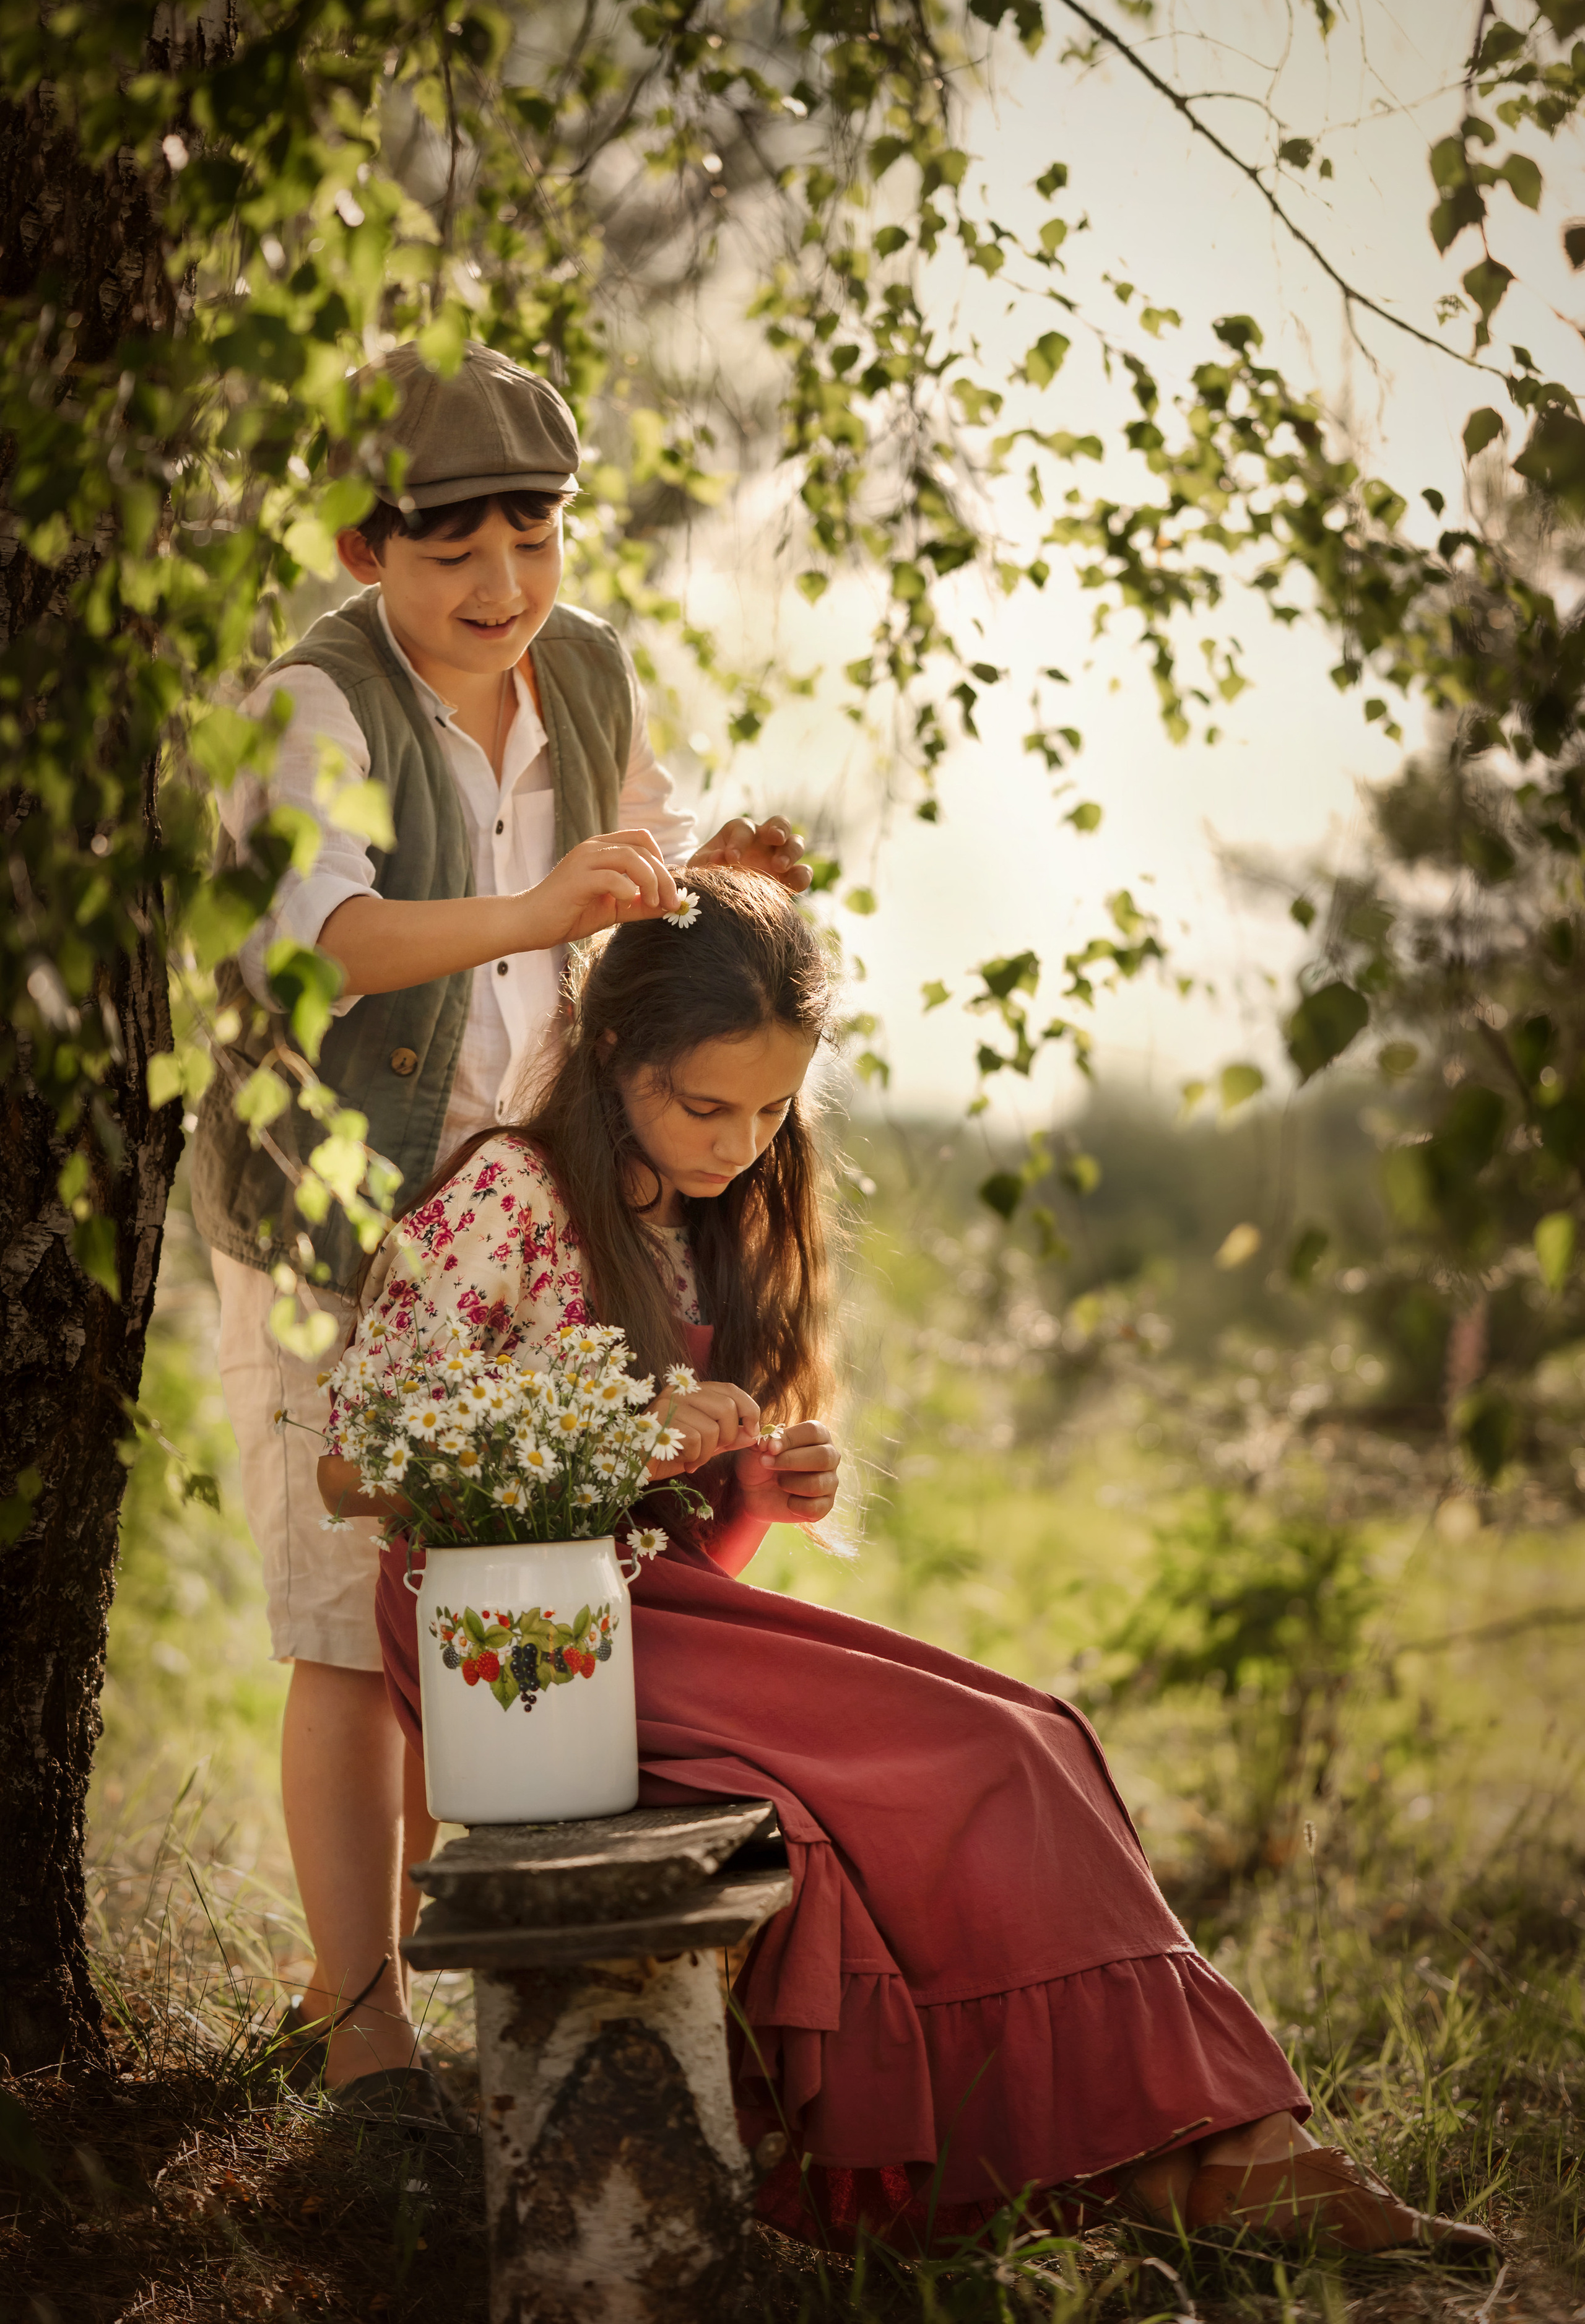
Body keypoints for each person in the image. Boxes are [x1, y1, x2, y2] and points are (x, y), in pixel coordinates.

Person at [318, 868, 1495, 2258]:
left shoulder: (708, 1219)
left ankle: (1223, 2149)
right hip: (516, 1639)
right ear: (614, 1050)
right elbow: (358, 1465)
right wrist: (617, 1434)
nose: (739, 1145)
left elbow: (692, 1538)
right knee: (981, 1751)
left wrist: (752, 1483)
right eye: (706, 1107)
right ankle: (1180, 2161)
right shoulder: (510, 1195)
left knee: (1029, 1731)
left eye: (768, 1112)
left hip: (651, 1609)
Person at [188, 342, 810, 2109]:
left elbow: (635, 847)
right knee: (339, 1619)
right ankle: (351, 2004)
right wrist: (528, 900)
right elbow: (325, 939)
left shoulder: (587, 669)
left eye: (530, 537)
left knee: (491, 1593)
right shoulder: (318, 699)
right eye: (450, 546)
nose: (499, 587)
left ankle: (484, 1986)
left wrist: (707, 864)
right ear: (364, 542)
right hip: (335, 1217)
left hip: (518, 1227)